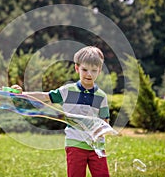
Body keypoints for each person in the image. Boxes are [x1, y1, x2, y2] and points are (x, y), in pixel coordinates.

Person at [12, 46, 110, 177]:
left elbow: (104, 120)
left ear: (99, 70)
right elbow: (45, 96)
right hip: (75, 144)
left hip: (96, 147)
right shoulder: (68, 91)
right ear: (77, 68)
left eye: (94, 70)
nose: (89, 74)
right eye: (85, 69)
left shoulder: (101, 96)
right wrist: (22, 94)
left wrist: (100, 133)